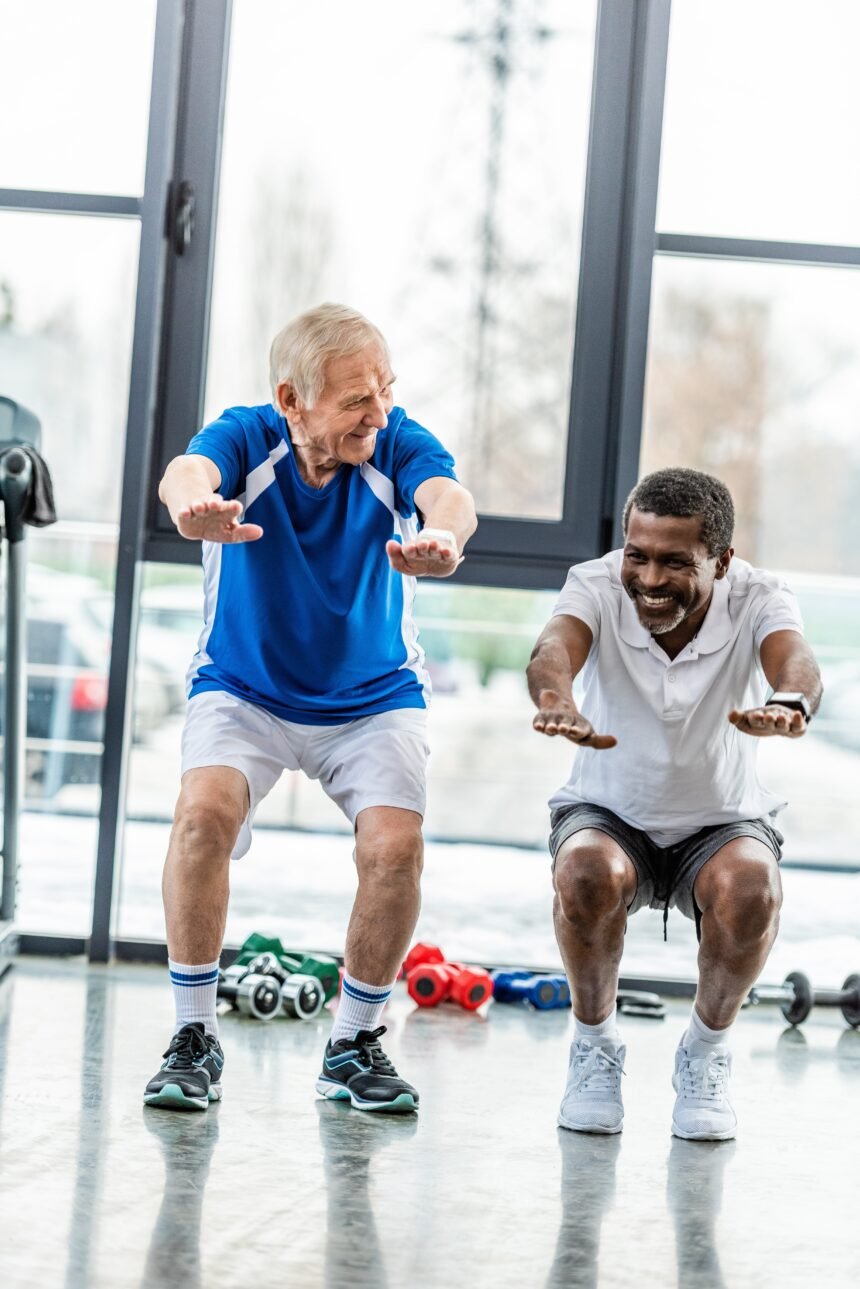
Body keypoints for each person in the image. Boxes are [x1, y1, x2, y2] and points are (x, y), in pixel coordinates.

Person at [144, 303, 477, 1114]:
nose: (381, 412)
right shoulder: (248, 435)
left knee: (396, 847)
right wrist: (192, 508)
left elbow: (448, 494)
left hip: (371, 696)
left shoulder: (394, 444)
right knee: (201, 818)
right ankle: (193, 1035)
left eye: (387, 390)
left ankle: (355, 1044)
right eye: (358, 398)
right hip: (244, 687)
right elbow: (185, 473)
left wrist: (444, 538)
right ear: (292, 400)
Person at [527, 467, 821, 1141]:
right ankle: (594, 1047)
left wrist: (788, 702)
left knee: (753, 887)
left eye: (674, 561)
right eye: (638, 554)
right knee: (584, 871)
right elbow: (552, 651)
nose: (650, 579)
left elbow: (796, 660)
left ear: (722, 560)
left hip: (720, 820)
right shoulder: (596, 583)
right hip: (608, 811)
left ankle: (706, 1052)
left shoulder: (760, 595)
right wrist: (556, 699)